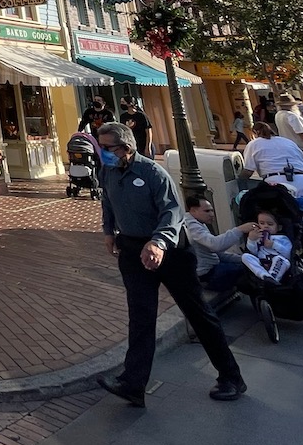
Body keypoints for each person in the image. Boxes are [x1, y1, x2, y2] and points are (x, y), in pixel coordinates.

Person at [94, 122, 246, 407]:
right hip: (132, 250)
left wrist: (158, 242)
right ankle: (133, 384)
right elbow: (108, 200)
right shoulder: (108, 171)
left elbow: (172, 212)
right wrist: (107, 230)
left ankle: (231, 376)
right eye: (100, 148)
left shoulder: (153, 173)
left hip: (170, 252)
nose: (103, 154)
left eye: (107, 149)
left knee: (198, 313)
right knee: (140, 316)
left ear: (126, 148)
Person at [240, 123, 303, 275]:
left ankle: (294, 264)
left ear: (255, 133)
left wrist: (238, 180)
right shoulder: (287, 142)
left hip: (278, 184)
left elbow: (248, 170)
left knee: (284, 225)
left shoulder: (254, 144)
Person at [184, 193, 254, 293]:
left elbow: (216, 252)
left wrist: (244, 258)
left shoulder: (197, 222)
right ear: (193, 210)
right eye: (207, 211)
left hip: (212, 269)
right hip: (207, 275)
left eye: (212, 210)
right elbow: (216, 245)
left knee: (249, 265)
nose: (212, 214)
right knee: (248, 271)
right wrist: (240, 229)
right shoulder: (191, 225)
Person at [242, 210, 294, 283]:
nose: (265, 226)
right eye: (262, 223)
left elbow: (288, 254)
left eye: (270, 224)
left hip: (279, 263)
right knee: (245, 256)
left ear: (279, 227)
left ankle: (273, 278)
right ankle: (264, 276)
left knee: (280, 260)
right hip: (262, 263)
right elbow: (253, 253)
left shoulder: (282, 238)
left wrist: (274, 245)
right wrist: (251, 240)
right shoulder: (258, 236)